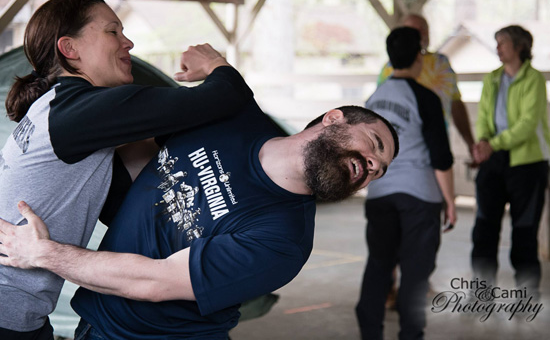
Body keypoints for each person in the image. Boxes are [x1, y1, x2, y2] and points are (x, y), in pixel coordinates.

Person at [0, 94, 399, 338]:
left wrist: (42, 253)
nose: (371, 166)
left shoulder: (285, 240)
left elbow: (154, 282)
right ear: (333, 119)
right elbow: (143, 161)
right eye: (374, 145)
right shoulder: (235, 117)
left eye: (378, 169)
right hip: (96, 319)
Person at [0, 0, 252, 340]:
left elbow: (119, 206)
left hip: (21, 311)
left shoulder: (54, 109)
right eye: (112, 32)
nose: (127, 42)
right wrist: (216, 64)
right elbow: (227, 97)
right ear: (70, 49)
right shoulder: (83, 111)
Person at [356, 27, 455, 340]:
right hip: (419, 195)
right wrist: (450, 201)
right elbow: (441, 156)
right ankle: (411, 334)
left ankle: (370, 332)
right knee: (415, 272)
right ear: (419, 57)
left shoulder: (374, 98)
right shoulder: (426, 97)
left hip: (381, 193)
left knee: (379, 264)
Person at [471, 25, 550, 297]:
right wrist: (482, 142)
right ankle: (482, 296)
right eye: (496, 42)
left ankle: (526, 298)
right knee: (483, 230)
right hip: (494, 161)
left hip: (528, 165)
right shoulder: (491, 78)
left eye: (502, 42)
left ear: (519, 46)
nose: (497, 48)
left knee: (525, 233)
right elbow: (483, 117)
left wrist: (491, 145)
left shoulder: (534, 80)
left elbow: (527, 124)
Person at [378, 13, 475, 155]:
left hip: (437, 144)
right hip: (403, 150)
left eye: (424, 29)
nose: (421, 34)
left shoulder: (441, 63)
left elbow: (455, 104)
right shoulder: (390, 69)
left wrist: (470, 143)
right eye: (415, 30)